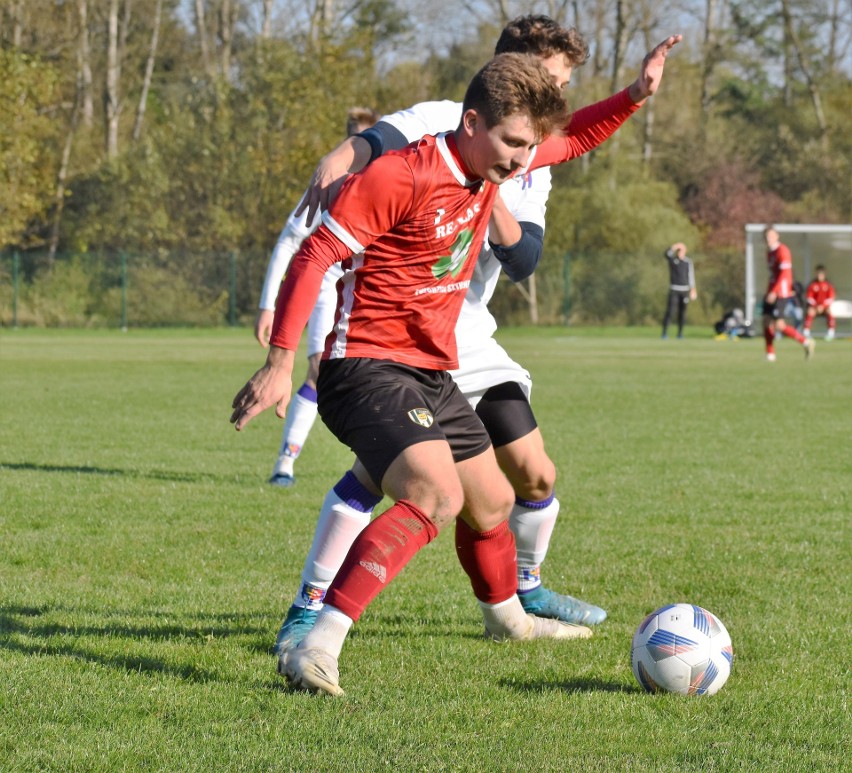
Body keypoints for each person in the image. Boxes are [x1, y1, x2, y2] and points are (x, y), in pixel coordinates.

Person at [232, 42, 680, 696]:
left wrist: (635, 96)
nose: (522, 160)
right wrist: (278, 361)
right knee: (434, 495)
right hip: (364, 365)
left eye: (529, 147)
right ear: (472, 124)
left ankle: (507, 620)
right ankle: (317, 643)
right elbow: (317, 251)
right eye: (513, 143)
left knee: (493, 498)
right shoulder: (402, 174)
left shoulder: (496, 166)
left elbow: (577, 136)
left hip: (430, 371)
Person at [257, 107, 381, 487]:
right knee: (317, 370)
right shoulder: (331, 181)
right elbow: (288, 242)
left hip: (374, 288)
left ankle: (382, 456)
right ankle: (286, 461)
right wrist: (268, 305)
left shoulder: (390, 180)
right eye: (358, 142)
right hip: (329, 285)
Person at [762, 226, 814, 362]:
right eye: (766, 236)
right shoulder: (769, 252)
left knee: (779, 325)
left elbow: (785, 274)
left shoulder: (783, 251)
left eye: (771, 236)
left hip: (781, 293)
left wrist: (774, 292)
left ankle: (805, 341)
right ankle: (770, 353)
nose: (768, 239)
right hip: (772, 291)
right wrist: (769, 290)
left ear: (777, 236)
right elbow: (773, 275)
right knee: (766, 321)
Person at [661, 242, 696, 339]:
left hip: (684, 291)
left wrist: (693, 289)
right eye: (679, 251)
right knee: (670, 312)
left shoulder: (688, 262)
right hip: (674, 290)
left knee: (682, 312)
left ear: (685, 251)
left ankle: (680, 333)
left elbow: (691, 275)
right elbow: (666, 254)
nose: (680, 252)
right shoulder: (673, 260)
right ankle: (664, 333)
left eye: (682, 250)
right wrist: (675, 246)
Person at [804, 265, 836, 341]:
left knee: (830, 311)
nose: (819, 276)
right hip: (815, 307)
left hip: (824, 307)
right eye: (818, 274)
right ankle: (806, 333)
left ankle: (831, 333)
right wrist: (816, 306)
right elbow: (809, 298)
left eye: (821, 274)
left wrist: (823, 306)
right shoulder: (812, 284)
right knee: (810, 311)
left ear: (824, 275)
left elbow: (831, 298)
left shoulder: (828, 285)